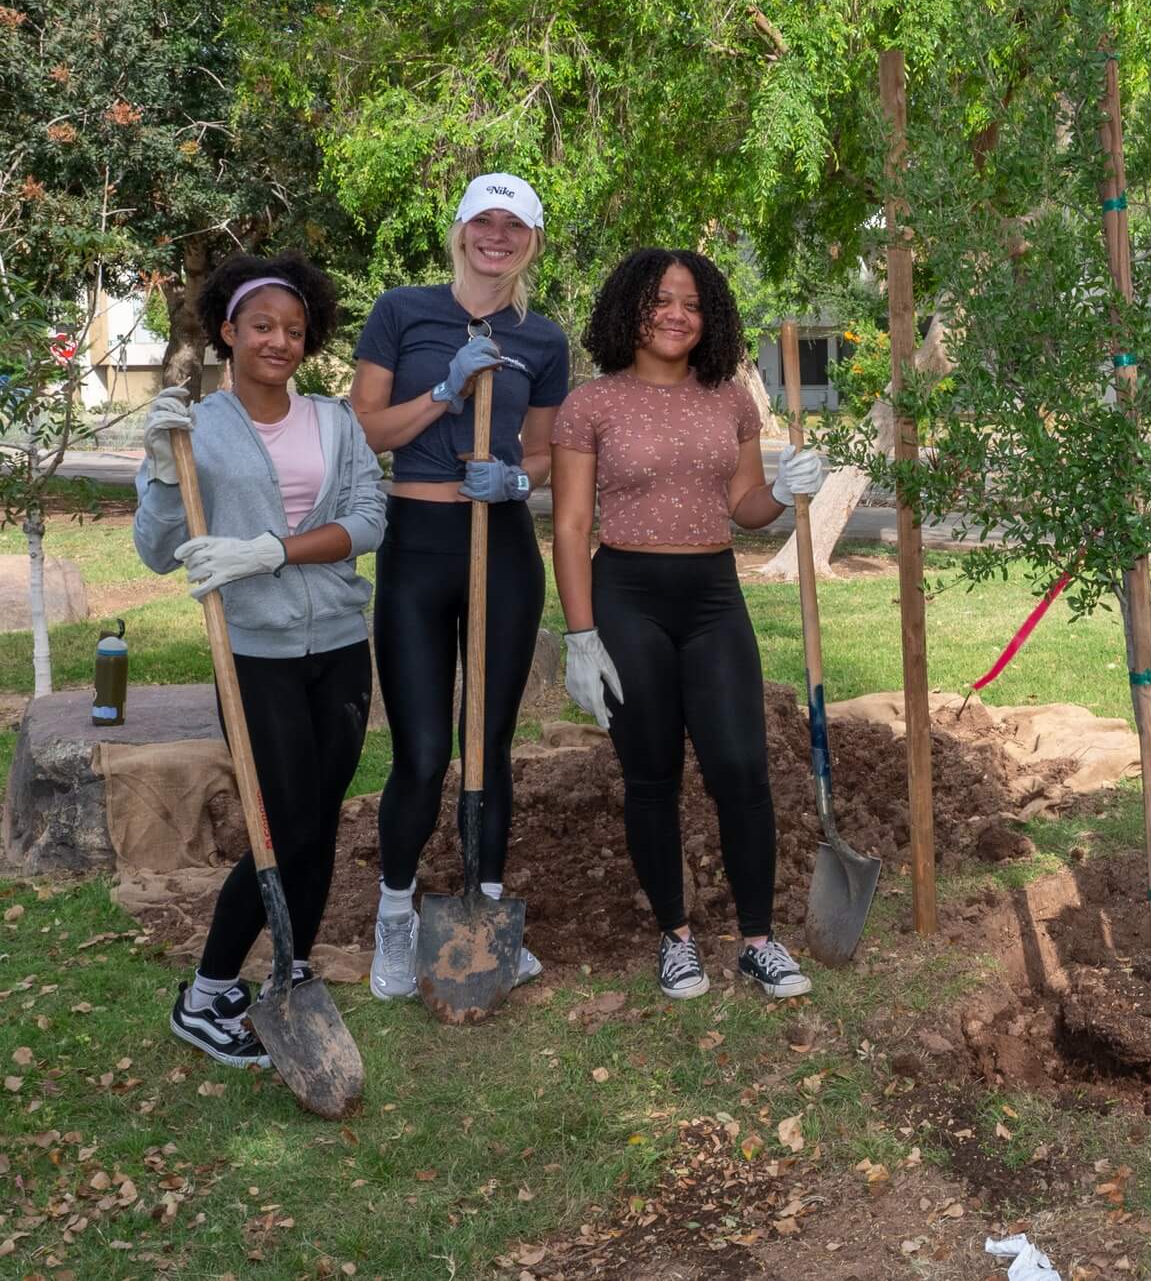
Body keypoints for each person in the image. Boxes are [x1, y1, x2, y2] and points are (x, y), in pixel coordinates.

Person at [550, 248, 825, 1000]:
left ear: (713, 320)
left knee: (741, 767)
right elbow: (572, 528)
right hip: (626, 594)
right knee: (651, 773)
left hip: (712, 593)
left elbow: (745, 509)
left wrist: (782, 486)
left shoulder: (730, 398)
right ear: (628, 308)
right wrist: (580, 636)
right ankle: (675, 937)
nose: (677, 314)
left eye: (693, 304)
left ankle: (758, 941)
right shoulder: (591, 404)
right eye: (661, 300)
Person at [134, 254, 385, 1067]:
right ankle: (206, 995)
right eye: (262, 326)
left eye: (294, 329)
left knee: (320, 821)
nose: (279, 340)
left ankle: (288, 967)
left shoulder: (335, 421)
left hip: (342, 648)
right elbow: (157, 551)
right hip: (256, 653)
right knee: (288, 824)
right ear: (229, 332)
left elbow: (369, 517)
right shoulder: (197, 425)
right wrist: (164, 473)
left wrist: (271, 549)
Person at [353, 173, 570, 998]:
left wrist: (514, 479)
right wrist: (444, 390)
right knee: (420, 752)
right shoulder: (402, 311)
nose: (496, 234)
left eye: (513, 225)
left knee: (488, 742)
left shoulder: (543, 338)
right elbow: (366, 426)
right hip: (418, 542)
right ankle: (397, 913)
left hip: (501, 545)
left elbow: (544, 455)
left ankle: (483, 910)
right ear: (458, 230)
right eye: (483, 220)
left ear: (531, 241)